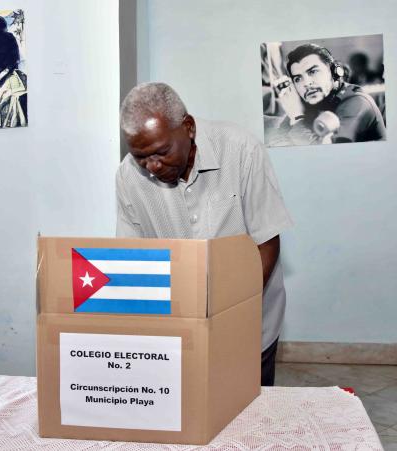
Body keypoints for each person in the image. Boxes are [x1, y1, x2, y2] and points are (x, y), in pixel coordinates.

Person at [117, 82, 293, 386]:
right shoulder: (128, 177)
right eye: (141, 157)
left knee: (250, 420)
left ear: (188, 127)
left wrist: (229, 309)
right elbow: (133, 259)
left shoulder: (241, 150)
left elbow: (266, 242)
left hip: (248, 324)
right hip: (179, 332)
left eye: (161, 152)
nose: (153, 166)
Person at [272, 44, 386, 145]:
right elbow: (277, 140)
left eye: (313, 72)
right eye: (298, 79)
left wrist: (297, 118)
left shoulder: (357, 102)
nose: (306, 83)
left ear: (334, 72)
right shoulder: (312, 100)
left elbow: (330, 154)